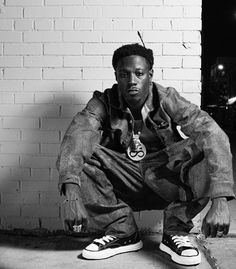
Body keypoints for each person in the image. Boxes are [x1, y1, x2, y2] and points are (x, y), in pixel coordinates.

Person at [56, 43, 235, 266]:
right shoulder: (103, 102)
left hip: (167, 177)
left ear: (150, 75)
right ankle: (122, 232)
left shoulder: (167, 98)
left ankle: (175, 231)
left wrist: (220, 200)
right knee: (82, 150)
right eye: (124, 74)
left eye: (139, 74)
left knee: (207, 145)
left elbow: (212, 133)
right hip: (126, 178)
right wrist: (71, 193)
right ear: (116, 76)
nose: (132, 81)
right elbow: (77, 135)